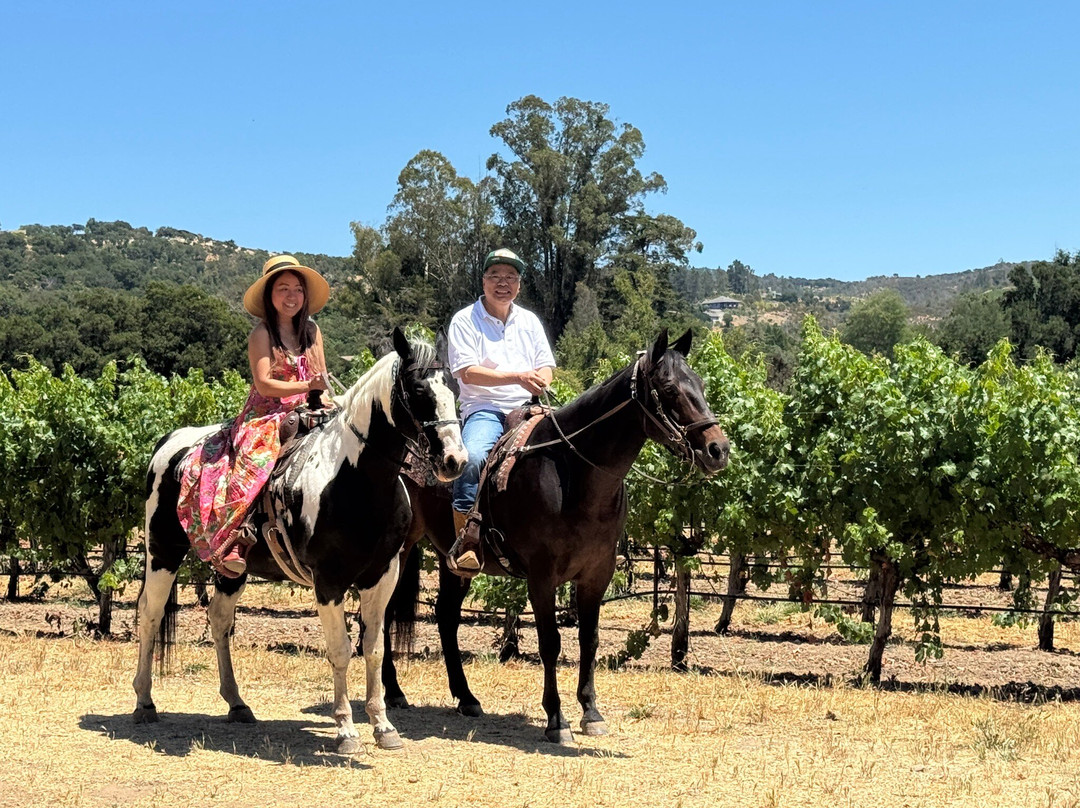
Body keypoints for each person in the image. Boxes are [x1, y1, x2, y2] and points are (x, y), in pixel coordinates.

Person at [176, 254, 332, 577]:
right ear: (269, 296)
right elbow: (264, 383)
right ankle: (238, 536)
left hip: (311, 408)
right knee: (256, 461)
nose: (292, 296)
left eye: (297, 289)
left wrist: (327, 399)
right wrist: (306, 384)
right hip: (267, 415)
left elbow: (323, 378)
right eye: (283, 289)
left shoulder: (313, 333)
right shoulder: (262, 336)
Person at [446, 248, 556, 576]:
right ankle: (467, 540)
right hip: (485, 407)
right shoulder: (465, 320)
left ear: (519, 285)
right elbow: (468, 373)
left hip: (529, 406)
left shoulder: (530, 321)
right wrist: (520, 377)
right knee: (474, 458)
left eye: (510, 277)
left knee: (566, 451)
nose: (502, 283)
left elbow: (546, 365)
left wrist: (540, 380)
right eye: (495, 276)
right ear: (483, 281)